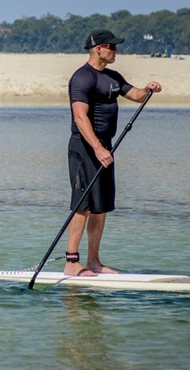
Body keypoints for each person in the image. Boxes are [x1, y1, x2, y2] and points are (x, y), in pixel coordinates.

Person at [63, 29, 161, 277]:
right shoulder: (82, 78)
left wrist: (148, 89)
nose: (116, 50)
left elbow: (135, 95)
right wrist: (97, 148)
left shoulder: (113, 77)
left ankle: (94, 262)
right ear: (98, 48)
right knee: (82, 205)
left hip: (105, 147)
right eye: (112, 47)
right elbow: (79, 116)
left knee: (101, 206)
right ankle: (72, 263)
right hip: (85, 147)